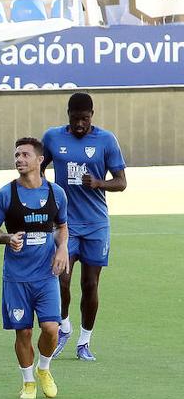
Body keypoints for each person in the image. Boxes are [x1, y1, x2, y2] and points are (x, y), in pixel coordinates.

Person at [41, 92, 127, 361]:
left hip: (96, 224)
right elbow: (38, 168)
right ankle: (64, 326)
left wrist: (99, 183)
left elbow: (121, 182)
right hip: (65, 224)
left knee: (90, 284)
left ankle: (84, 342)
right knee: (61, 280)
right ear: (68, 114)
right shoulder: (53, 137)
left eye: (85, 119)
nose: (80, 124)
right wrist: (45, 192)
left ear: (93, 115)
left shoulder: (106, 140)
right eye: (76, 118)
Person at [0, 138, 69, 399]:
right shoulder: (6, 194)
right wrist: (7, 238)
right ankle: (28, 381)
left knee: (51, 328)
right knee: (24, 331)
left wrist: (63, 248)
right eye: (17, 155)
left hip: (46, 276)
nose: (19, 159)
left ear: (39, 160)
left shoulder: (57, 193)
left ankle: (44, 368)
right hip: (16, 278)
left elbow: (62, 226)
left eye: (25, 155)